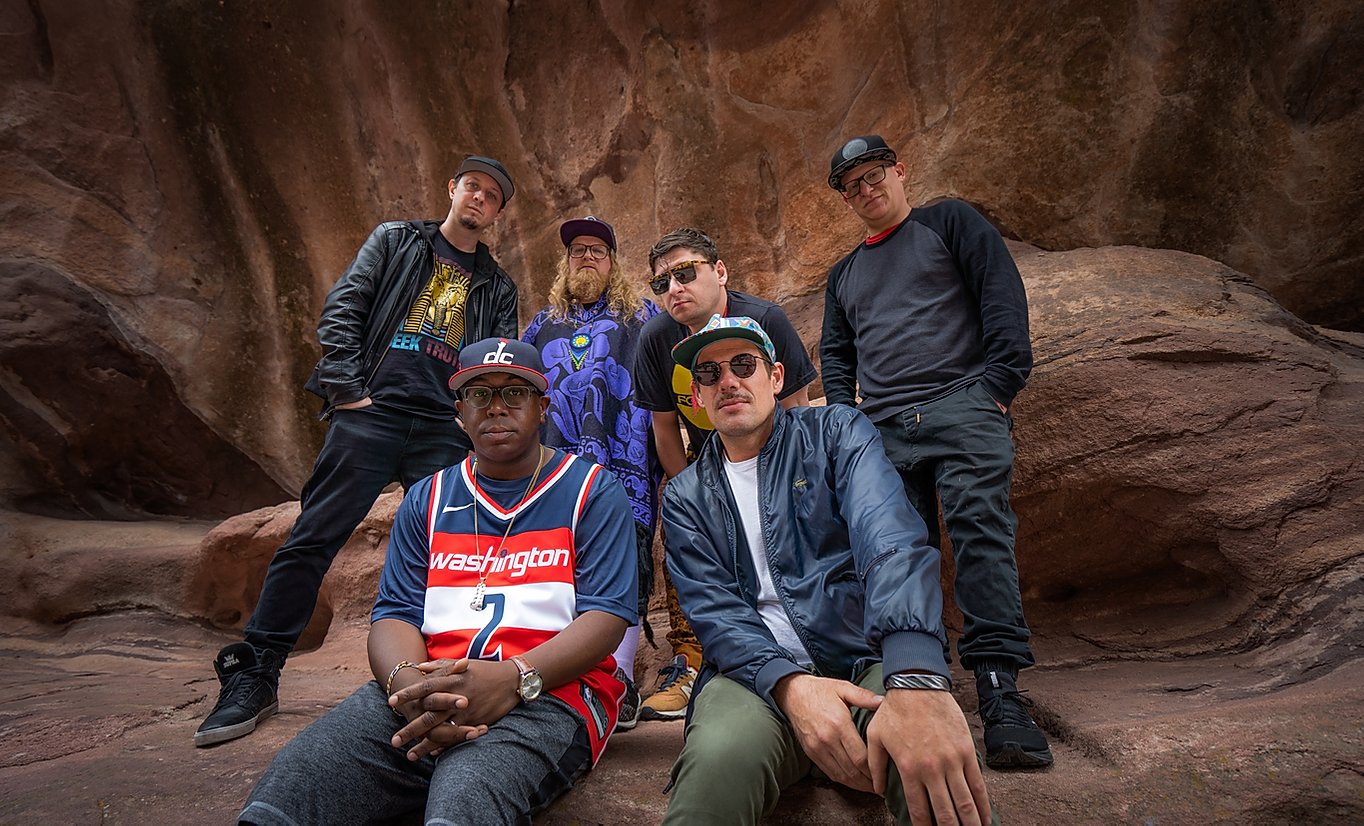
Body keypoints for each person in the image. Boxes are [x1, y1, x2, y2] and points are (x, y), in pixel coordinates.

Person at [238, 337, 638, 824]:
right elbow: (394, 615)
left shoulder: (592, 490)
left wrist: (514, 679)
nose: (496, 407)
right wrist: (410, 690)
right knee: (289, 790)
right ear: (458, 413)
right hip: (428, 686)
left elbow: (608, 616)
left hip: (550, 693)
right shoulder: (428, 497)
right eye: (478, 394)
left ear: (543, 408)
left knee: (465, 798)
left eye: (515, 393)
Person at [196, 156, 521, 747]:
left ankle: (447, 680)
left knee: (460, 554)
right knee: (313, 537)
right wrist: (348, 392)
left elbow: (491, 359)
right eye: (472, 186)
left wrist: (466, 421)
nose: (480, 198)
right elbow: (345, 306)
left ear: (498, 213)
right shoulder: (397, 241)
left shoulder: (497, 285)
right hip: (372, 414)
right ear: (453, 189)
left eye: (492, 195)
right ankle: (257, 673)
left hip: (442, 429)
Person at [660, 315, 994, 825]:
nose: (727, 380)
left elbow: (891, 539)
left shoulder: (835, 431)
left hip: (864, 660)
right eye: (709, 373)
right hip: (755, 681)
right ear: (699, 398)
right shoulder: (686, 495)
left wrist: (917, 674)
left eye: (743, 365)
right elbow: (715, 611)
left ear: (774, 378)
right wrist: (792, 688)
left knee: (926, 761)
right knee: (717, 763)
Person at [820, 134, 1051, 769]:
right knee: (897, 552)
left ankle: (1001, 691)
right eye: (853, 186)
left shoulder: (948, 222)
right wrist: (847, 419)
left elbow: (1001, 294)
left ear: (899, 171)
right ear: (846, 198)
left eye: (874, 176)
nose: (867, 191)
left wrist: (999, 387)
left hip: (963, 404)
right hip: (886, 426)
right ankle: (920, 686)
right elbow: (837, 355)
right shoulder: (844, 274)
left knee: (981, 530)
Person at [632, 227, 817, 722]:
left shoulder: (764, 320)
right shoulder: (655, 338)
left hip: (778, 460)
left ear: (720, 272)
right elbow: (664, 427)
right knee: (680, 518)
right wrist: (691, 491)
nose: (674, 287)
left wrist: (787, 483)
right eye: (661, 282)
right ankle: (688, 662)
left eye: (685, 272)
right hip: (704, 462)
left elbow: (799, 412)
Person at [522, 215, 662, 729]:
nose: (585, 258)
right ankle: (555, 675)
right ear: (565, 262)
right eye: (577, 251)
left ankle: (618, 682)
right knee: (555, 569)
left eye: (597, 251)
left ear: (613, 263)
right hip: (553, 473)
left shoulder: (643, 317)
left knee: (622, 569)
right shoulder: (541, 326)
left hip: (622, 469)